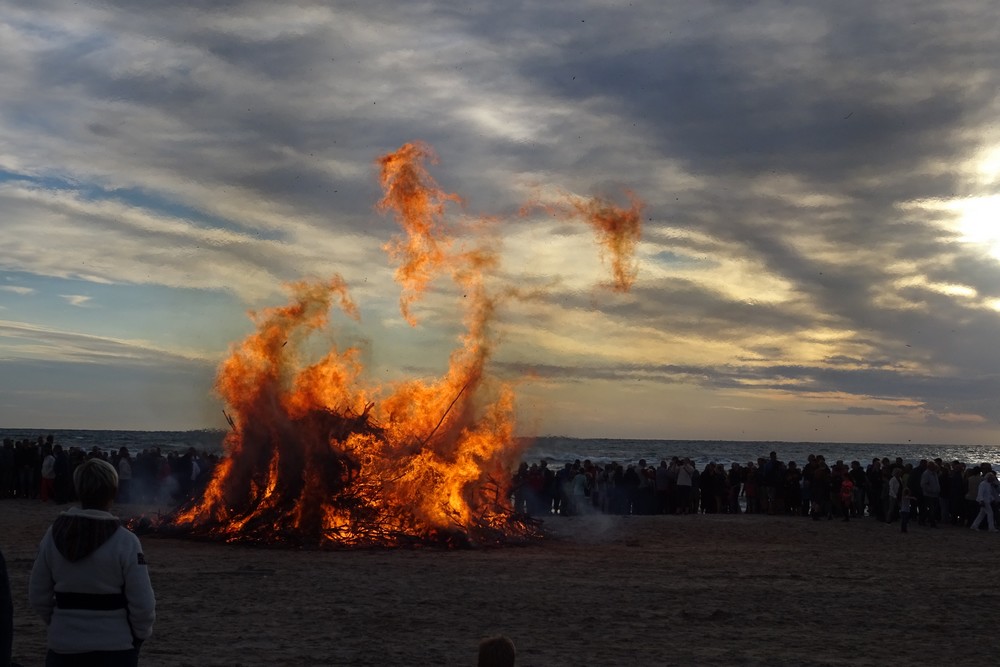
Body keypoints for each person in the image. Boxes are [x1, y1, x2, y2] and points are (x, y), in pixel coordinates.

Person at [28, 457, 155, 666]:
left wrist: (61, 624)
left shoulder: (53, 536)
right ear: (113, 492)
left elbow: (37, 595)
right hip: (115, 648)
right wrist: (138, 636)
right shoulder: (126, 541)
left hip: (63, 648)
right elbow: (143, 604)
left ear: (78, 491)